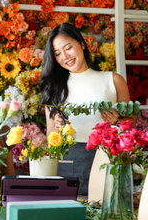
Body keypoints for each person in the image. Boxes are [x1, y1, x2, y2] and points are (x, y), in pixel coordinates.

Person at [39, 23, 130, 195]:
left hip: (106, 158)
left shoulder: (113, 80)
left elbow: (129, 130)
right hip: (68, 162)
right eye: (57, 53)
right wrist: (57, 127)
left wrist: (117, 121)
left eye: (68, 48)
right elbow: (51, 141)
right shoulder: (54, 88)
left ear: (81, 44)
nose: (65, 56)